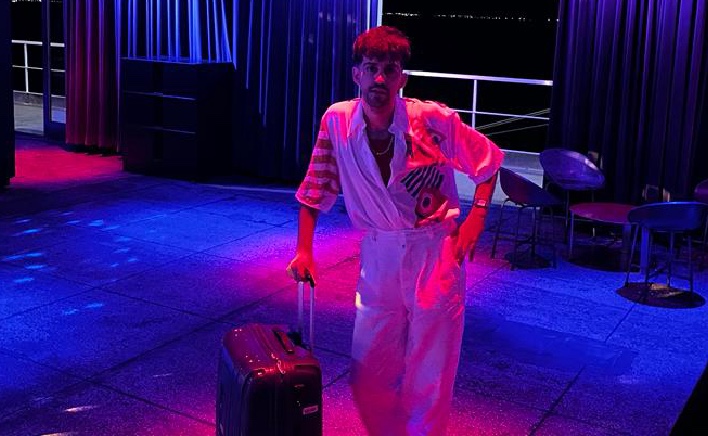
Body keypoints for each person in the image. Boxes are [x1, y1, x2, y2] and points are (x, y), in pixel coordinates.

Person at [287, 25, 504, 435]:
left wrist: (477, 216)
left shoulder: (432, 120)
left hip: (434, 251)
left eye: (390, 69)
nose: (380, 78)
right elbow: (313, 191)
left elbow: (487, 160)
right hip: (379, 254)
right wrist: (304, 250)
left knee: (431, 374)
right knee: (367, 372)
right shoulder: (337, 121)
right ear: (357, 75)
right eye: (372, 68)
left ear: (402, 78)